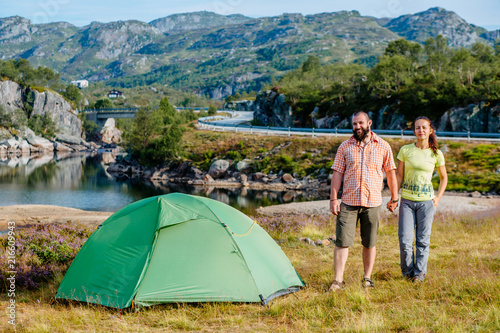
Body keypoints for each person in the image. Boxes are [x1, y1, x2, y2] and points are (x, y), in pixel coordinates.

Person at [329, 111, 399, 291]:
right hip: (348, 202)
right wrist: (333, 198)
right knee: (342, 241)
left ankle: (367, 278)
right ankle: (338, 280)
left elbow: (391, 173)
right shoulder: (344, 147)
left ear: (369, 123)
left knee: (370, 242)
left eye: (360, 123)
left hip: (373, 202)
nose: (357, 127)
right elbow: (337, 173)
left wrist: (394, 197)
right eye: (354, 124)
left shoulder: (383, 146)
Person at [391, 116, 447, 282]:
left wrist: (437, 198)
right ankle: (407, 273)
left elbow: (444, 178)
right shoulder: (406, 150)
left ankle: (419, 274)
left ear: (430, 130)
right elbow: (399, 176)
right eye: (417, 128)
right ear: (414, 130)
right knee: (405, 240)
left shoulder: (436, 153)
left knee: (423, 240)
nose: (420, 131)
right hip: (407, 201)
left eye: (424, 127)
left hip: (426, 203)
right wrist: (394, 197)